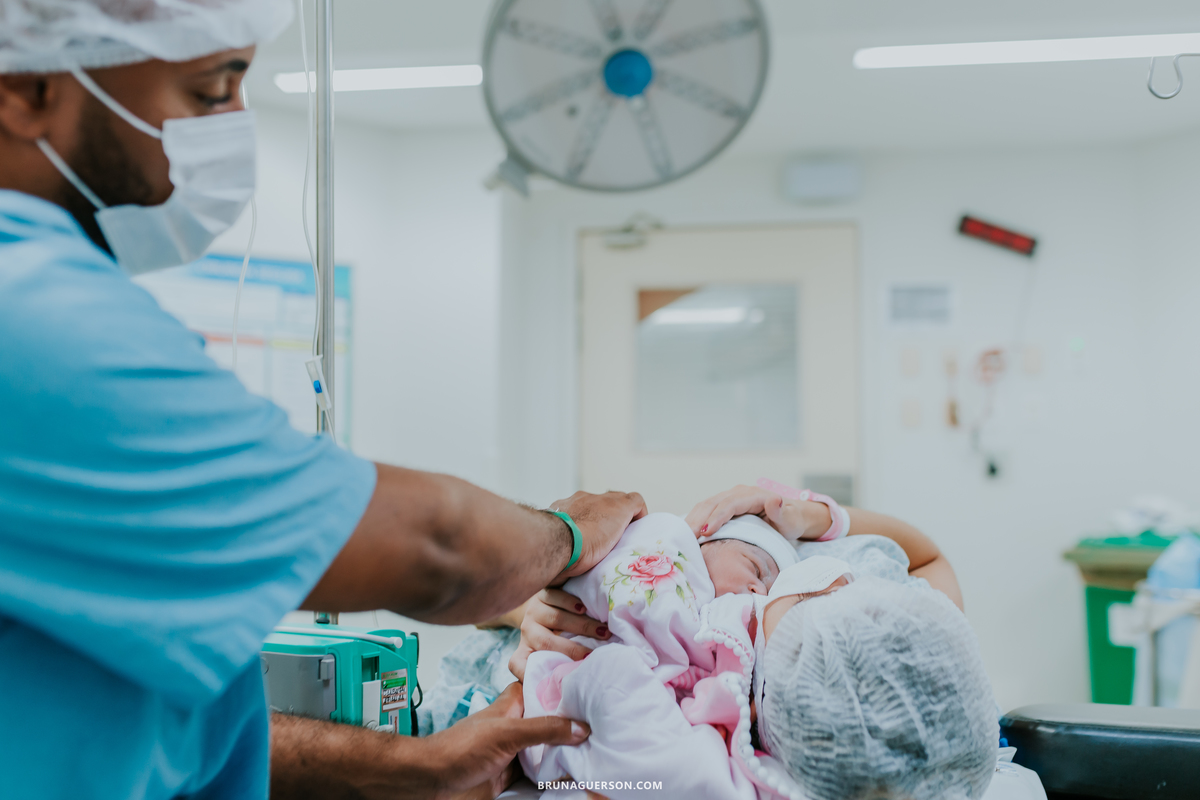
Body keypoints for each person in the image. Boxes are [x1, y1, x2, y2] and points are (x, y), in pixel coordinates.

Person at [0, 3, 646, 798]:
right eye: (209, 92)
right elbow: (435, 549)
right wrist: (571, 536)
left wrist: (410, 766)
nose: (238, 122)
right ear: (28, 90)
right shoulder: (34, 317)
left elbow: (146, 718)